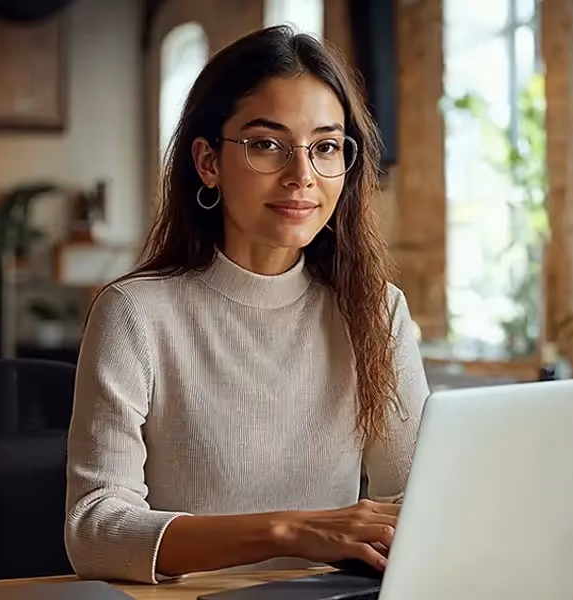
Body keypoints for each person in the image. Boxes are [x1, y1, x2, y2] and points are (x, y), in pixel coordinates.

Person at [64, 25, 430, 585]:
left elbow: (417, 499)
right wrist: (286, 532)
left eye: (326, 147)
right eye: (266, 145)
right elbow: (95, 531)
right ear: (208, 162)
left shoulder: (376, 311)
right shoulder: (135, 314)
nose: (302, 176)